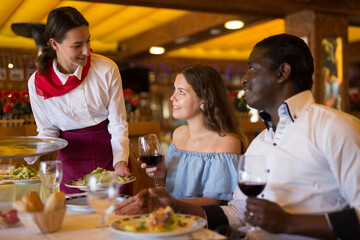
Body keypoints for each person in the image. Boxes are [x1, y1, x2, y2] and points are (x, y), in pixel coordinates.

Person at [115, 34, 360, 239]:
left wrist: (289, 223)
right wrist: (175, 206)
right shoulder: (260, 144)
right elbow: (238, 214)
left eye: (252, 68)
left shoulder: (336, 128)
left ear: (282, 72)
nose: (244, 79)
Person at [27, 6, 131, 194]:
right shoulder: (37, 83)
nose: (86, 50)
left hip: (110, 155)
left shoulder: (106, 69)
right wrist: (28, 151)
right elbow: (48, 130)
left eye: (87, 41)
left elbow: (117, 123)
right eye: (77, 45)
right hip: (70, 160)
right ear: (54, 44)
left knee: (114, 217)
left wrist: (121, 161)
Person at [141, 65, 247, 206]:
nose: (172, 97)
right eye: (174, 90)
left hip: (203, 223)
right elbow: (175, 189)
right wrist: (163, 174)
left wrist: (166, 204)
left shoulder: (227, 142)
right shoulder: (178, 134)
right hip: (171, 217)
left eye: (182, 92)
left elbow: (213, 202)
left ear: (204, 99)